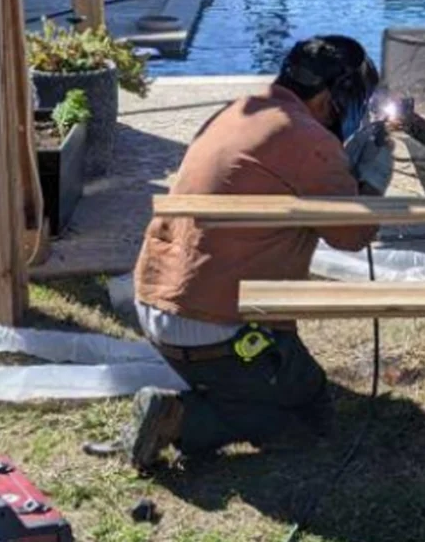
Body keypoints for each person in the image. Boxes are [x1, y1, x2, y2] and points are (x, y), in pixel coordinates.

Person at [123, 35, 393, 470]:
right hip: (216, 328)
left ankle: (222, 390)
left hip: (157, 306)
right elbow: (354, 233)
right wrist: (373, 180)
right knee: (310, 415)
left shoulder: (237, 111)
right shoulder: (309, 140)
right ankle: (182, 419)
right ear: (330, 99)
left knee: (277, 381)